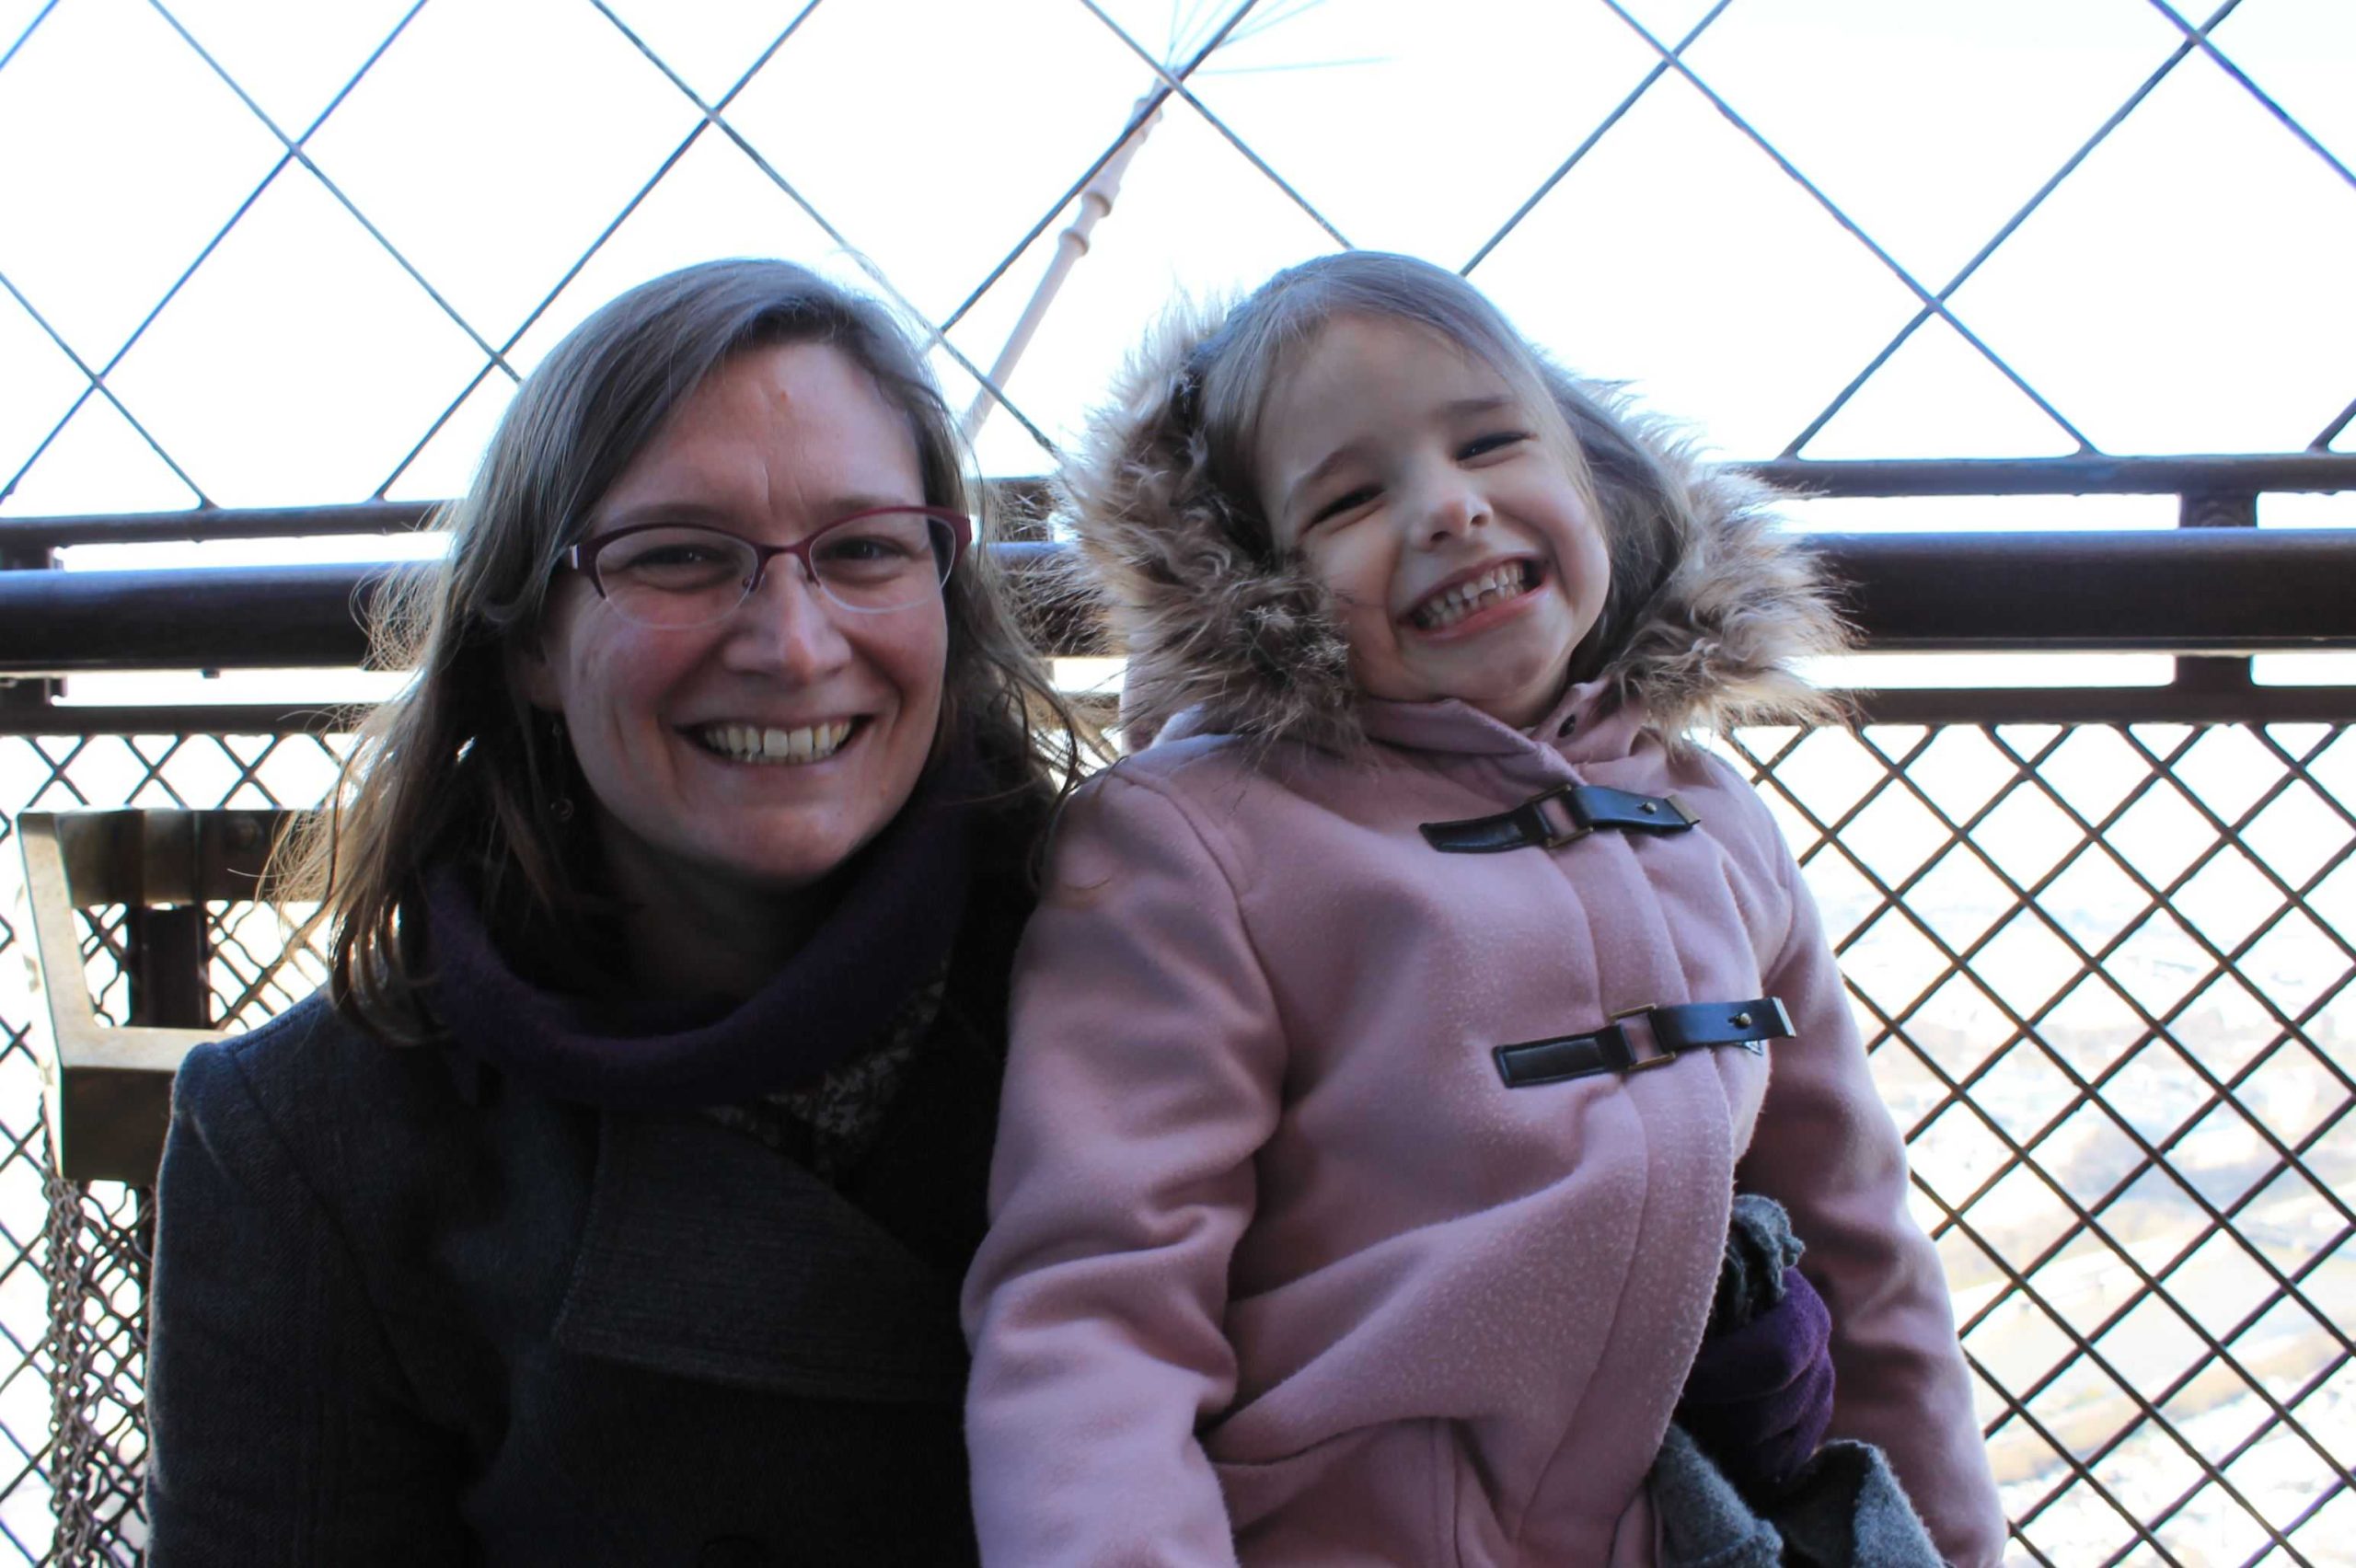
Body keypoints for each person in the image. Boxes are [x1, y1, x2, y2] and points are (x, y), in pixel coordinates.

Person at [962, 252, 2008, 1566]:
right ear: (1257, 580)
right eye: (1350, 497)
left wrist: (1948, 1542)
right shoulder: (1196, 846)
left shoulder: (1713, 823)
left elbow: (1861, 1247)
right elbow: (1104, 1304)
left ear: (1593, 479)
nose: (1449, 508)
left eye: (1492, 442)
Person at [144, 259, 1088, 1563]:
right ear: (530, 641)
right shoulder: (313, 1149)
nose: (794, 645)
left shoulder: (1181, 997)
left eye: (867, 548)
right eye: (681, 557)